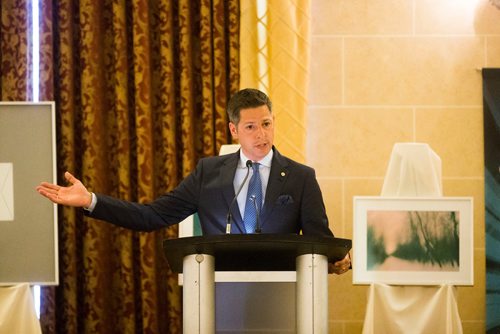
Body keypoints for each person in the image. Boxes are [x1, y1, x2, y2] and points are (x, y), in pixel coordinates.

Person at [36, 88, 351, 274]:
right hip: (221, 294)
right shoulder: (209, 173)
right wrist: (90, 200)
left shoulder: (300, 177)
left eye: (267, 124)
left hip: (286, 295)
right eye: (252, 127)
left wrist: (335, 261)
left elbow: (317, 240)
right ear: (234, 130)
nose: (262, 134)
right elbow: (152, 216)